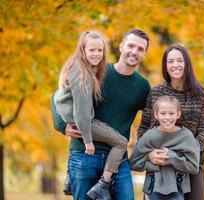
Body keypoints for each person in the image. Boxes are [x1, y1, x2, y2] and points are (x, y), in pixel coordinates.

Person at [51, 29, 151, 200]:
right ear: (121, 46)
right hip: (84, 154)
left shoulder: (143, 87)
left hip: (118, 160)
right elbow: (58, 95)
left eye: (140, 49)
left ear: (145, 54)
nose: (134, 51)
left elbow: (152, 121)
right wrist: (62, 125)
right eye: (131, 46)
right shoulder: (99, 71)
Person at [137, 44, 204, 200]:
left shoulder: (201, 95)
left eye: (180, 60)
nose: (175, 65)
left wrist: (184, 155)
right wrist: (149, 153)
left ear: (187, 63)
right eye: (170, 61)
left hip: (191, 161)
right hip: (160, 161)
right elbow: (144, 127)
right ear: (165, 65)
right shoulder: (156, 92)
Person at [130, 95, 200, 200]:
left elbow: (194, 167)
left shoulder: (186, 136)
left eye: (171, 113)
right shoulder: (149, 136)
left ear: (178, 114)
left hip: (178, 188)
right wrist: (152, 161)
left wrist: (171, 157)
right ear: (156, 115)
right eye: (163, 113)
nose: (167, 117)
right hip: (153, 188)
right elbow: (133, 163)